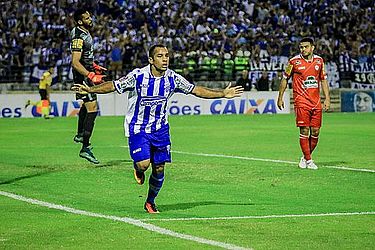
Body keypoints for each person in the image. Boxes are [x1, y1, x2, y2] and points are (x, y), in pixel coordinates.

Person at [72, 44, 244, 213]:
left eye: (167, 55)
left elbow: (195, 90)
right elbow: (114, 85)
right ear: (151, 60)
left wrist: (222, 94)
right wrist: (90, 89)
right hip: (138, 127)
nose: (165, 59)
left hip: (160, 129)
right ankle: (138, 169)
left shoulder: (173, 78)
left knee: (160, 167)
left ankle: (150, 202)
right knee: (143, 164)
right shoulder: (138, 76)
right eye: (160, 56)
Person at [277, 37, 330, 170]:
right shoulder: (293, 62)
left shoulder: (319, 61)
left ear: (312, 47)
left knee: (316, 131)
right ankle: (309, 160)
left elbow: (323, 80)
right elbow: (284, 79)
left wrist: (327, 98)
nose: (303, 49)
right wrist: (280, 97)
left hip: (316, 101)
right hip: (301, 101)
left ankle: (305, 157)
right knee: (304, 130)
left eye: (306, 47)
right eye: (301, 47)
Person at [70, 9, 107, 164]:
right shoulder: (78, 36)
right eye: (87, 18)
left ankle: (80, 134)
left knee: (87, 106)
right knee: (92, 109)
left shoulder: (83, 32)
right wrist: (90, 74)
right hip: (83, 77)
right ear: (80, 21)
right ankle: (85, 147)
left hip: (86, 74)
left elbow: (85, 57)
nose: (90, 19)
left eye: (90, 16)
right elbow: (75, 61)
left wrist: (93, 66)